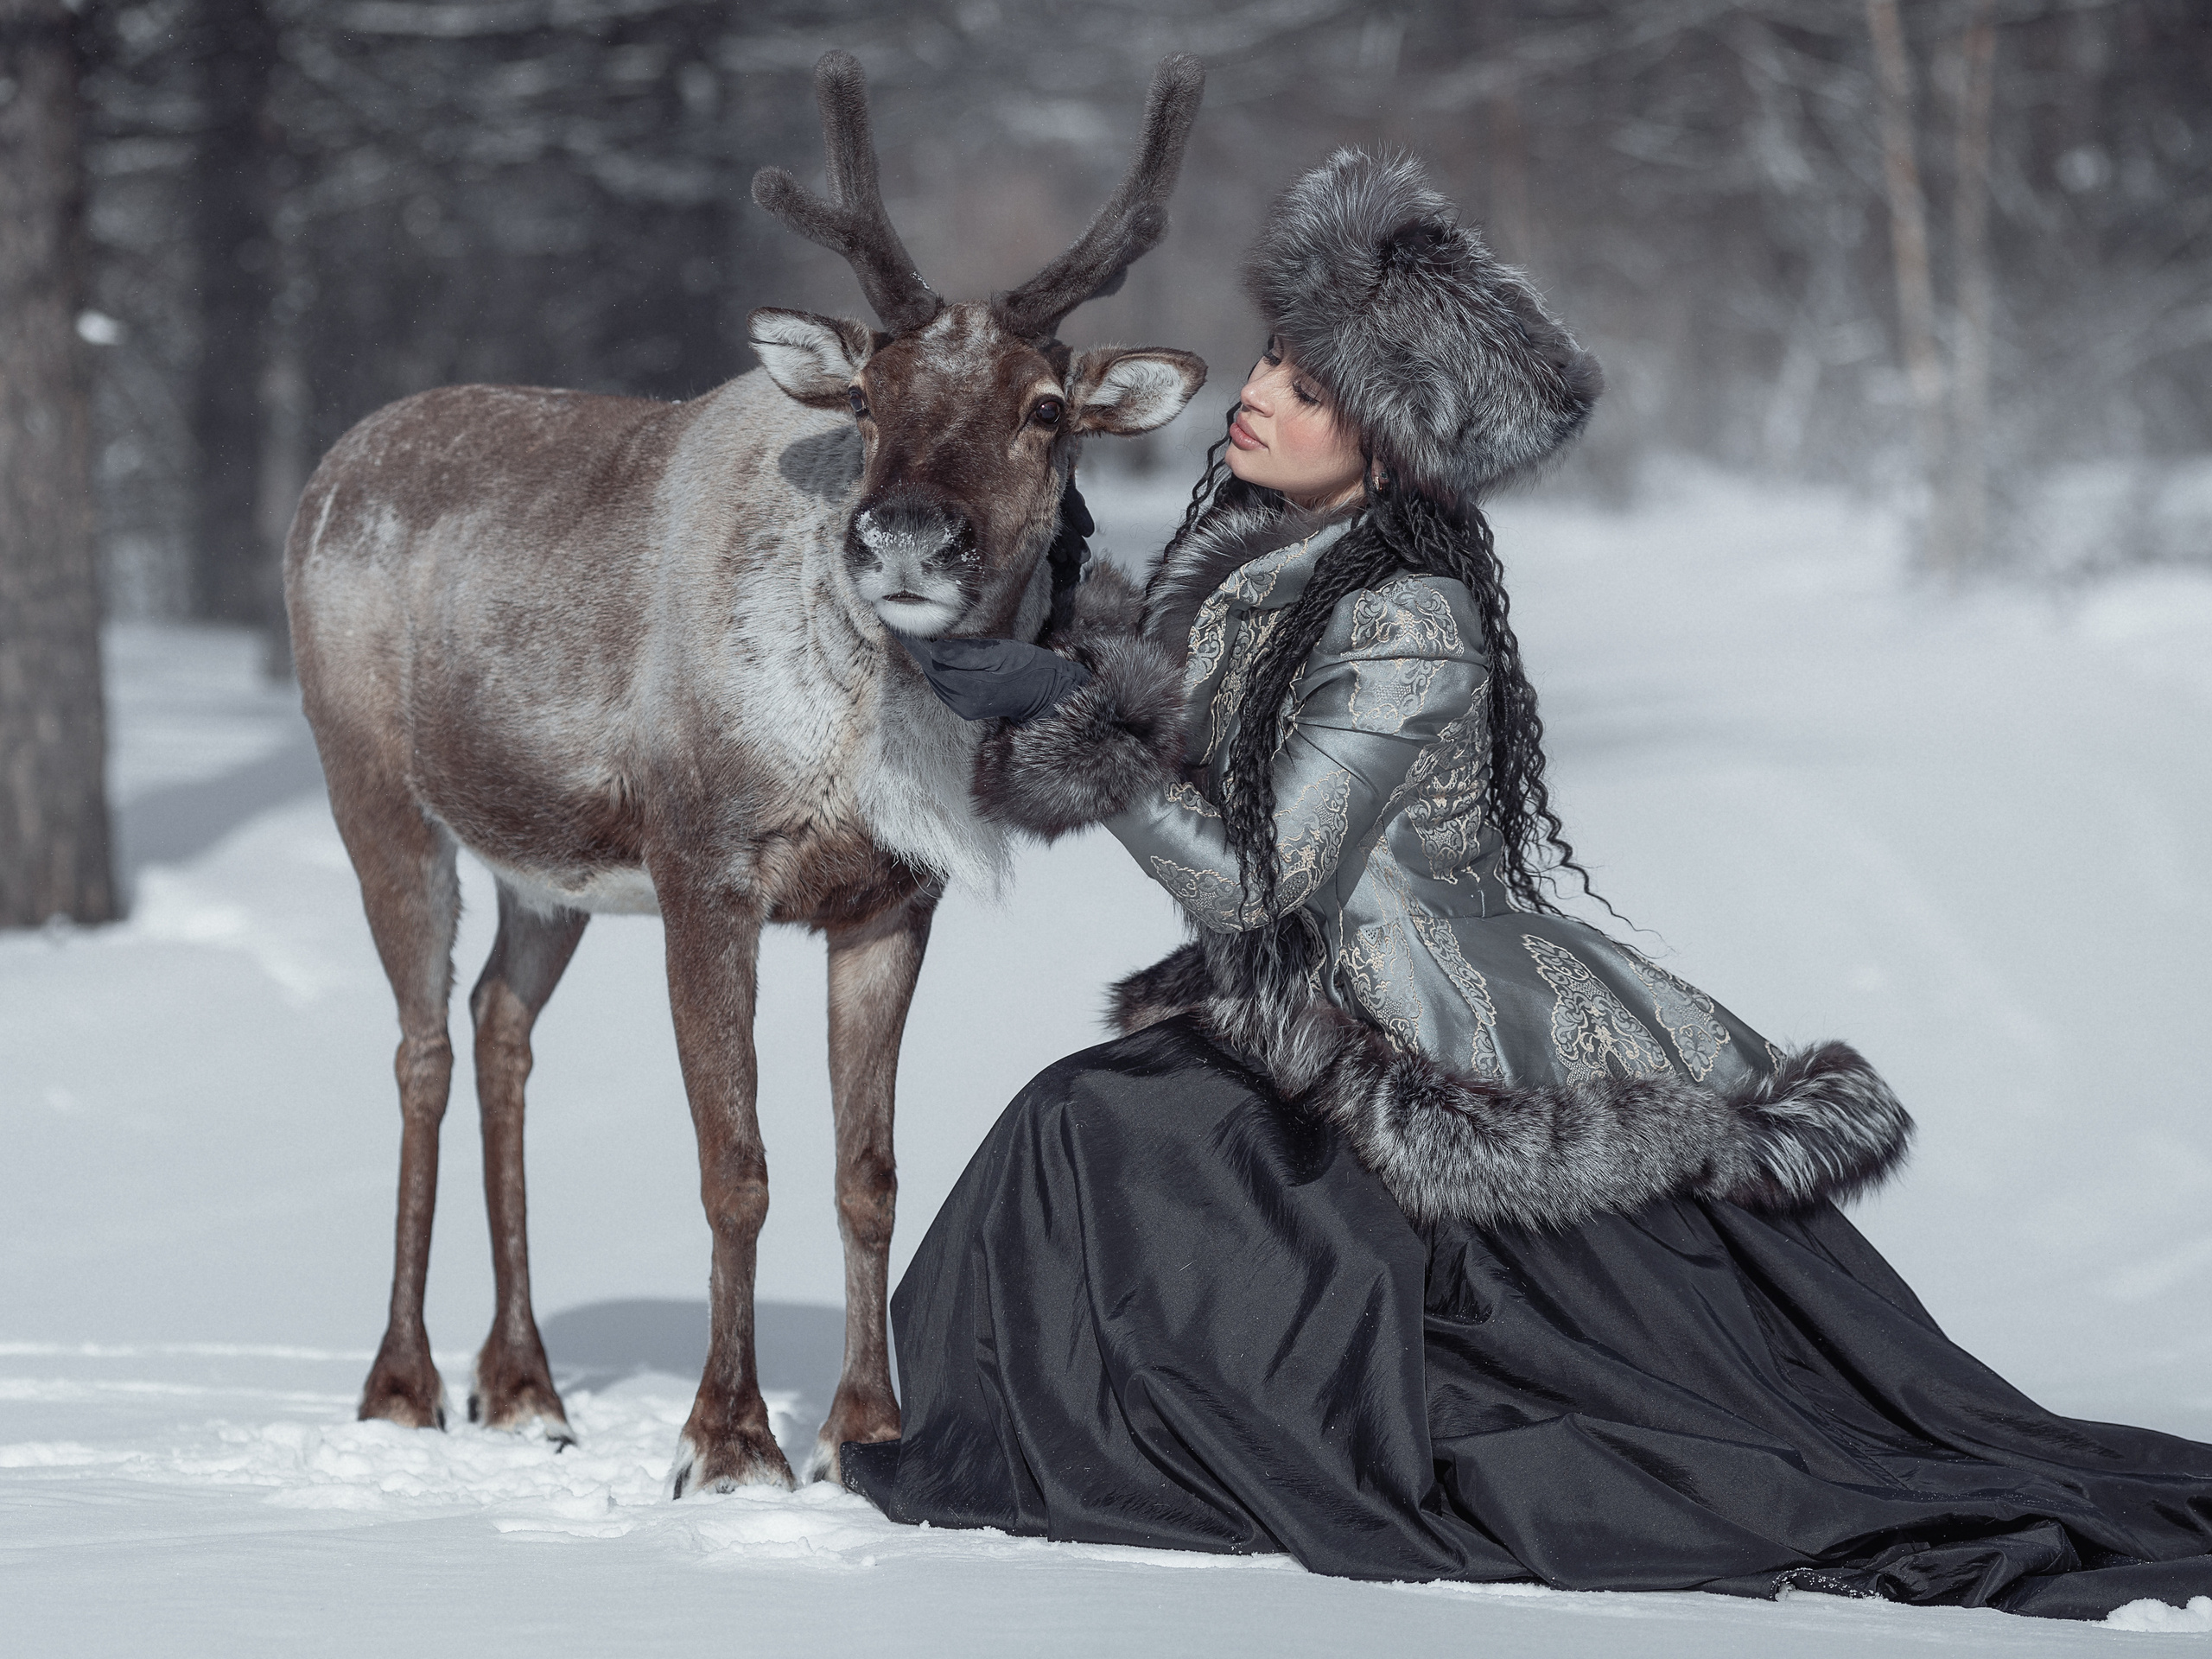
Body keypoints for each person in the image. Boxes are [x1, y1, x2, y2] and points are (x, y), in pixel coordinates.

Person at [850, 150, 2212, 1622]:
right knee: (1078, 1135)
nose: (1256, 392)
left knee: (1104, 1140)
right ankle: (1124, 1437)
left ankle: (1187, 1441)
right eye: (1269, 361)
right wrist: (1064, 630)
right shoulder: (1261, 560)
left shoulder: (1409, 615)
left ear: (1386, 444)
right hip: (1297, 1009)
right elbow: (1176, 720)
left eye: (1307, 388)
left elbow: (1258, 878)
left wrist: (1071, 720)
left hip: (1429, 1031)